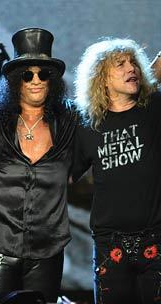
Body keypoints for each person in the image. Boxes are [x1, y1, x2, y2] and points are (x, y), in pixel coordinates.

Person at [0, 28, 77, 303]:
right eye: (28, 74)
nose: (36, 80)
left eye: (44, 74)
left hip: (48, 250)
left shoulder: (68, 121)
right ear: (16, 80)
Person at [72, 38, 160, 304]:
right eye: (119, 64)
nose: (130, 68)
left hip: (155, 237)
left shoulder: (154, 108)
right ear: (102, 77)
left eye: (133, 62)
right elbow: (65, 174)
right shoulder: (87, 125)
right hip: (110, 243)